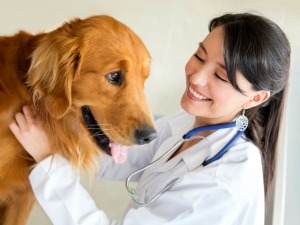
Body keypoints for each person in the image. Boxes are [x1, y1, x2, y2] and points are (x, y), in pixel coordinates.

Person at [9, 12, 290, 225]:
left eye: (219, 75)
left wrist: (48, 161)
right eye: (199, 56)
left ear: (256, 98)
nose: (197, 77)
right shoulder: (187, 126)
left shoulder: (224, 184)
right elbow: (118, 156)